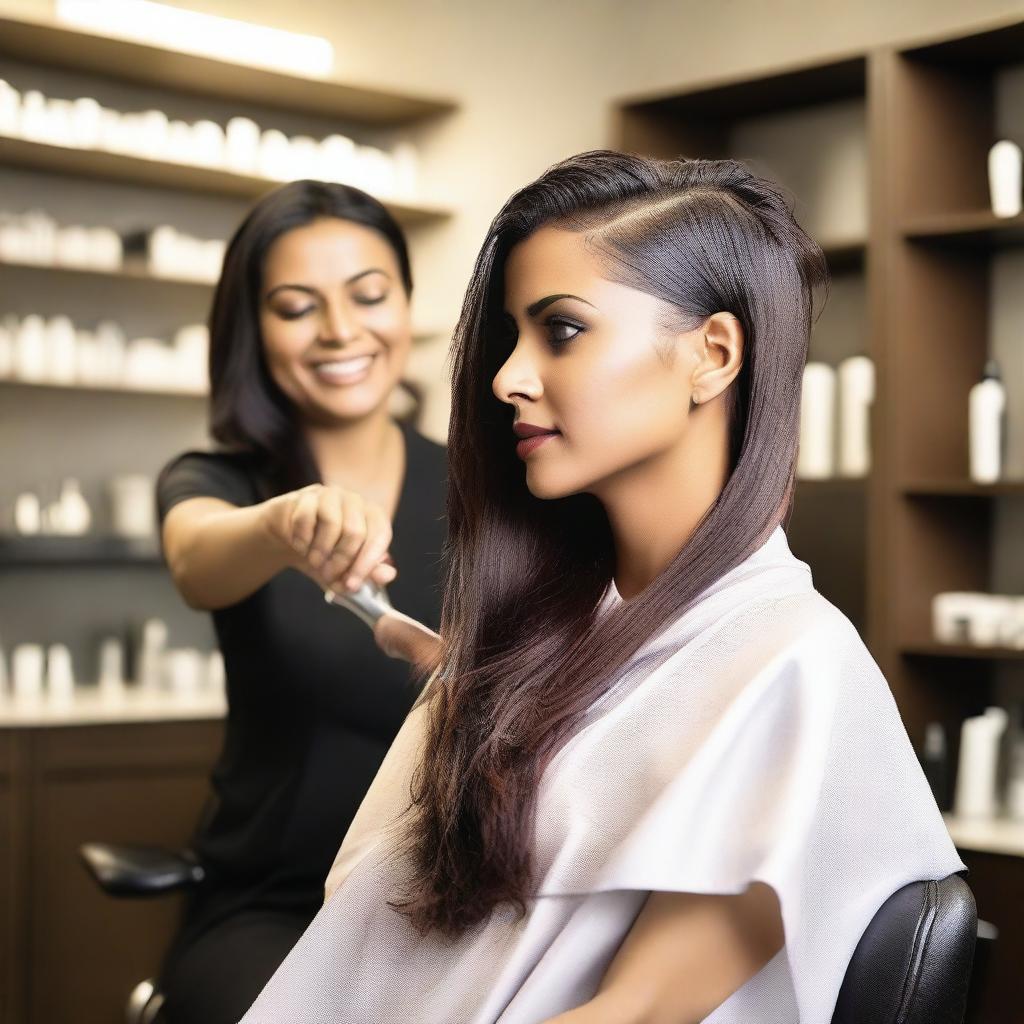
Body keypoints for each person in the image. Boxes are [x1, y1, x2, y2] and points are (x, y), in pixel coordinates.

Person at [240, 152, 964, 1024]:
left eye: (563, 330)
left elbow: (633, 1015)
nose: (507, 376)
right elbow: (363, 926)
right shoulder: (533, 638)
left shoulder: (793, 669)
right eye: (512, 334)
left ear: (713, 355)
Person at [154, 180, 446, 1024]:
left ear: (404, 306)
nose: (340, 331)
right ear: (255, 328)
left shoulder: (486, 485)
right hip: (271, 911)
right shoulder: (221, 484)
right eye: (296, 306)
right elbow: (197, 558)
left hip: (447, 903)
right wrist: (284, 524)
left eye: (368, 295)